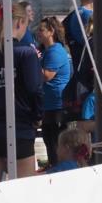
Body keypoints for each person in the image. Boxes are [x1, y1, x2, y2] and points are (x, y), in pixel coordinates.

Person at [0, 1, 43, 183]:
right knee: (24, 195)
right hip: (19, 130)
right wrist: (38, 116)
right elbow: (34, 89)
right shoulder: (26, 53)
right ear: (19, 23)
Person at [36, 16, 72, 167]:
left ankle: (59, 167)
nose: (38, 32)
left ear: (51, 31)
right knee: (49, 138)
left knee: (55, 140)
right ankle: (54, 165)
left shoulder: (55, 52)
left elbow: (46, 75)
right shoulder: (48, 51)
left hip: (57, 104)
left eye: (41, 30)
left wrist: (31, 64)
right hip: (50, 104)